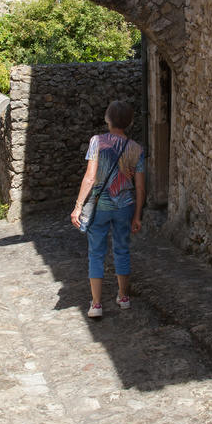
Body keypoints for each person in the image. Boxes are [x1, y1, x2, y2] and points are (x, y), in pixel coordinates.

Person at [70, 100, 145, 318]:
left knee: (96, 253)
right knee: (122, 249)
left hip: (100, 207)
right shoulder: (136, 149)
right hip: (125, 207)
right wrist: (137, 215)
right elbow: (140, 186)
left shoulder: (97, 142)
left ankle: (96, 304)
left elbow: (90, 177)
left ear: (108, 118)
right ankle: (123, 298)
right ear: (130, 122)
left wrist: (78, 206)